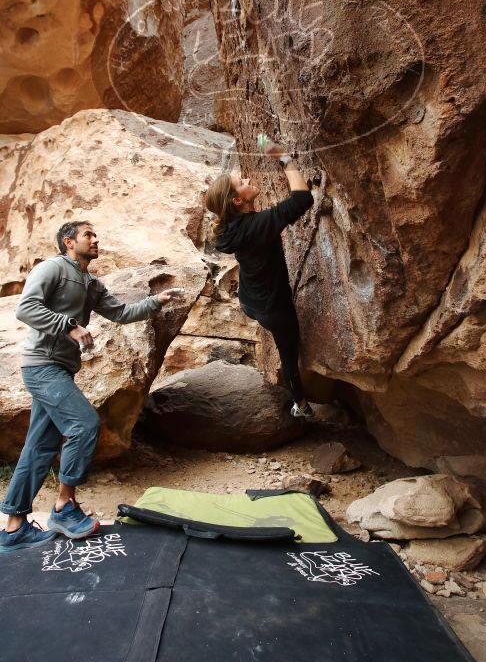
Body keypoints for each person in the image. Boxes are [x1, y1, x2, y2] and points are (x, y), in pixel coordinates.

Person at [0, 221, 181, 553]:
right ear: (69, 242)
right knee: (83, 425)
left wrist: (156, 301)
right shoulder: (53, 268)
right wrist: (69, 326)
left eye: (97, 234)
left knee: (39, 446)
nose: (96, 239)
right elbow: (26, 308)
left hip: (59, 371)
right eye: (88, 235)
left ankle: (13, 528)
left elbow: (121, 312)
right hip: (42, 366)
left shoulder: (90, 282)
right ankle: (63, 508)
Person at [205, 139, 314, 418]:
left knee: (284, 343)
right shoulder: (257, 225)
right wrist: (285, 158)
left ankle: (300, 403)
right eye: (240, 181)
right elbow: (303, 199)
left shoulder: (230, 229)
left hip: (251, 301)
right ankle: (299, 404)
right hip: (273, 308)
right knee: (289, 354)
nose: (247, 177)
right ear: (237, 200)